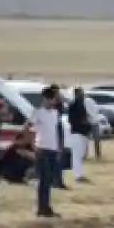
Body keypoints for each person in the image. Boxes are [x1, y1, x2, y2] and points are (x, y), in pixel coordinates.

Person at [27, 86, 61, 218]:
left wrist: (58, 147)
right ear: (47, 99)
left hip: (52, 148)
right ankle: (42, 207)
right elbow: (28, 128)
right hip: (42, 149)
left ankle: (46, 206)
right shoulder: (38, 112)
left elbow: (55, 131)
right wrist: (33, 145)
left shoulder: (55, 113)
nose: (53, 102)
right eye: (52, 99)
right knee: (44, 179)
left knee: (49, 179)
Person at [67, 87, 93, 184]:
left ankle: (79, 174)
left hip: (83, 133)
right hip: (77, 133)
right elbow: (72, 120)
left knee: (81, 154)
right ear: (77, 94)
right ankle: (77, 175)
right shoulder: (73, 105)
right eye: (81, 93)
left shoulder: (82, 105)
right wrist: (83, 123)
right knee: (77, 155)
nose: (83, 95)